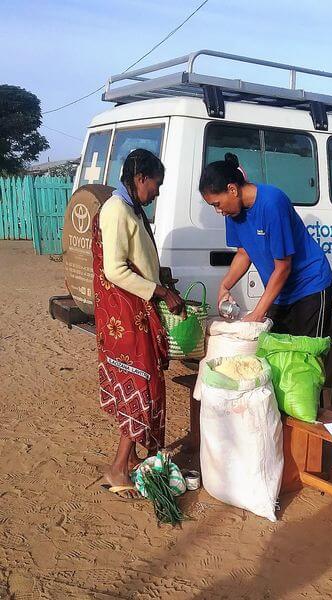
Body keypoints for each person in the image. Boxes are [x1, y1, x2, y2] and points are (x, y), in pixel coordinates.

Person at [93, 149, 184, 499]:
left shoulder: (131, 208)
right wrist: (158, 290)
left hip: (135, 310)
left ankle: (127, 461)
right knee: (140, 388)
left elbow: (136, 258)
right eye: (156, 185)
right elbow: (115, 269)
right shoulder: (117, 209)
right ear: (141, 178)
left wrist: (159, 277)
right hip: (126, 316)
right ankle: (117, 468)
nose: (157, 192)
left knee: (141, 385)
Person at [198, 153, 332, 337]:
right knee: (276, 354)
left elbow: (283, 267)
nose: (218, 211)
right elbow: (244, 253)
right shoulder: (232, 212)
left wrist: (258, 313)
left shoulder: (272, 203)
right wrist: (224, 286)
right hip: (279, 291)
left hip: (309, 286)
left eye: (217, 204)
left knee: (306, 357)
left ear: (232, 189)